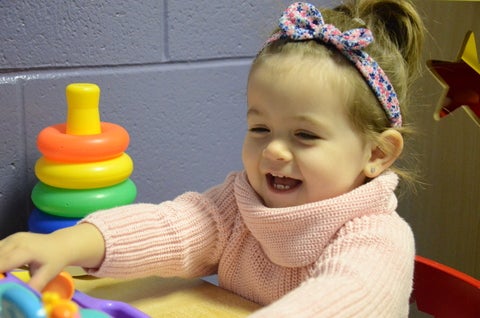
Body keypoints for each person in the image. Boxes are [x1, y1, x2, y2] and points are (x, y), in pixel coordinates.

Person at [0, 1, 425, 316]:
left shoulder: (378, 239)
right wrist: (65, 243)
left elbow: (342, 297)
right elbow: (173, 227)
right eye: (260, 129)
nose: (274, 150)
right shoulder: (240, 206)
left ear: (376, 153)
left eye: (305, 135)